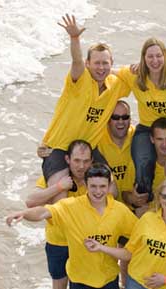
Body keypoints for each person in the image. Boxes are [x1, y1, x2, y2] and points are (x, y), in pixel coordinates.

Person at [6, 164, 137, 289]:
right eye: (93, 186)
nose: (98, 192)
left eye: (102, 186)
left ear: (109, 186)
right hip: (79, 277)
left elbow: (139, 236)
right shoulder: (71, 207)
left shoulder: (120, 211)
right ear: (86, 184)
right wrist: (24, 214)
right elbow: (43, 212)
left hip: (107, 277)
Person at [40, 14, 129, 200]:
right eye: (96, 63)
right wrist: (75, 38)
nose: (101, 67)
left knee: (112, 191)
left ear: (112, 64)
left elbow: (138, 74)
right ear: (88, 64)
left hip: (89, 149)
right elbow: (76, 61)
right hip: (59, 147)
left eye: (105, 63)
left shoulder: (116, 84)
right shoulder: (81, 80)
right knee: (60, 194)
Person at [116, 38, 166, 198]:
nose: (155, 61)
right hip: (147, 127)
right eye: (150, 57)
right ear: (143, 58)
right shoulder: (134, 75)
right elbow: (107, 72)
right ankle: (144, 204)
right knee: (143, 162)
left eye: (159, 56)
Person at [26, 140, 93, 289]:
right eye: (77, 160)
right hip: (59, 242)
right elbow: (30, 201)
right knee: (59, 287)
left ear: (91, 161)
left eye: (86, 161)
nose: (81, 166)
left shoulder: (93, 181)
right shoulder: (56, 178)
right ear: (67, 159)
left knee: (90, 286)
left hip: (85, 243)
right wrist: (59, 187)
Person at [122, 117, 166, 216]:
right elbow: (124, 194)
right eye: (159, 139)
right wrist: (132, 198)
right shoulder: (140, 164)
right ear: (152, 139)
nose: (164, 144)